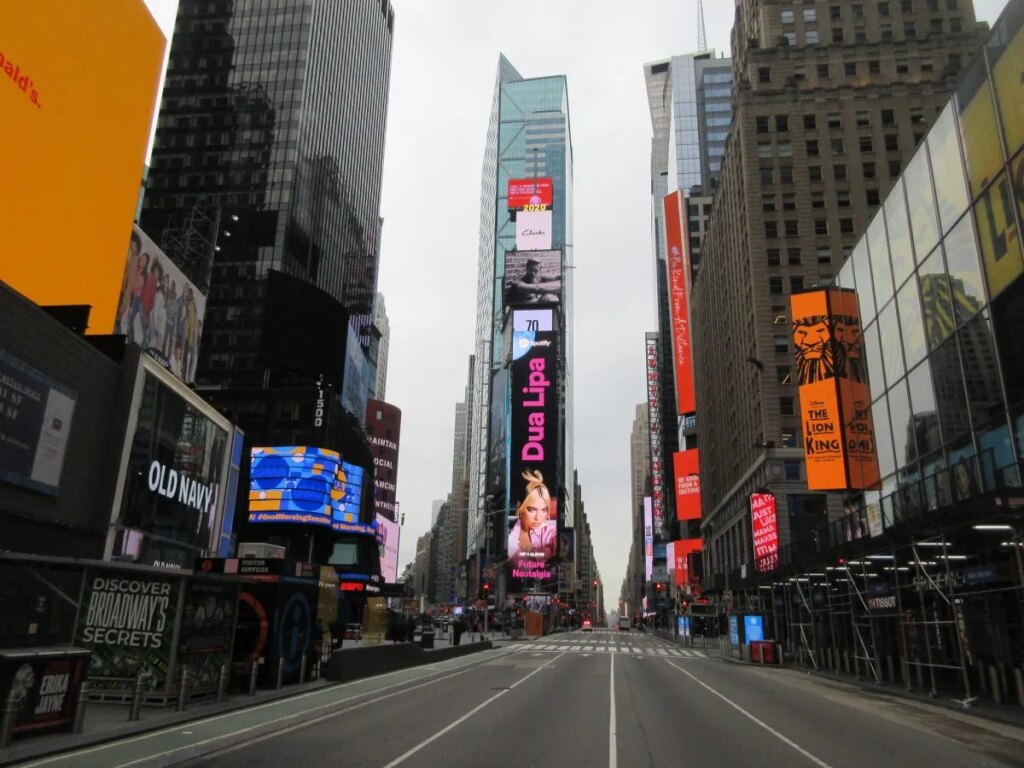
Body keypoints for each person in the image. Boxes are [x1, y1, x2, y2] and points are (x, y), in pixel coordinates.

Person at [507, 470, 557, 561]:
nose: (538, 518)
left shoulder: (552, 531)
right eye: (532, 510)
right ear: (519, 506)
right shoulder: (507, 533)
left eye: (544, 510)